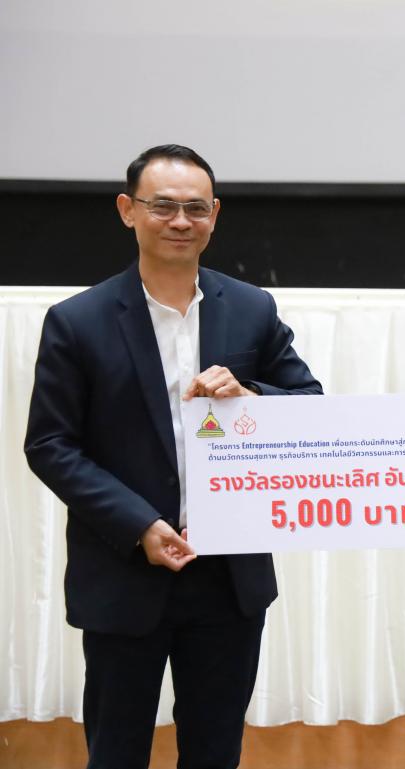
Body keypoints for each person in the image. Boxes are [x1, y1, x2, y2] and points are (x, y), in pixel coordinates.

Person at [24, 144, 322, 769]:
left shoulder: (252, 307)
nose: (180, 221)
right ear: (127, 210)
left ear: (215, 215)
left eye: (195, 208)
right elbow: (50, 445)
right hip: (125, 570)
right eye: (163, 206)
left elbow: (309, 406)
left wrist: (251, 395)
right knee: (116, 751)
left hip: (228, 576)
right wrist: (140, 525)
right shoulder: (77, 321)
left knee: (215, 752)